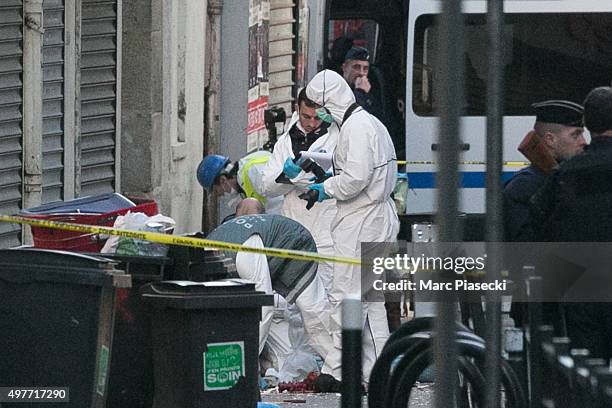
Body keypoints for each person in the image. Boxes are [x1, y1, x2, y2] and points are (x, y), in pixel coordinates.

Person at [305, 69, 399, 384]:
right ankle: (377, 373)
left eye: (320, 107)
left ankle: (339, 372)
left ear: (329, 103)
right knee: (371, 302)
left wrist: (325, 188)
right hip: (375, 220)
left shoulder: (356, 129)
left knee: (348, 296)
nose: (319, 114)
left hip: (361, 222)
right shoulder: (370, 123)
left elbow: (355, 180)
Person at [530, 87, 612, 359]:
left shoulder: (564, 175)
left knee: (586, 376)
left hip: (582, 291)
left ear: (588, 123)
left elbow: (539, 225)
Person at [206, 214, 336, 374]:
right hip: (269, 245)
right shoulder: (208, 259)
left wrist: (245, 362)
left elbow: (264, 308)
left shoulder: (242, 258)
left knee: (312, 312)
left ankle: (342, 370)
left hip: (293, 241)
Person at [259, 88, 339, 290]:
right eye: (306, 116)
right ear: (297, 109)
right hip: (293, 231)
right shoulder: (286, 140)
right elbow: (266, 186)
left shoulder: (338, 137)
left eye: (317, 118)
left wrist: (300, 178)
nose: (312, 123)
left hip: (326, 235)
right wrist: (287, 176)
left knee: (328, 298)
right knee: (291, 302)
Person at [503, 100, 586, 242]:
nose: (583, 141)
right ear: (550, 139)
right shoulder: (524, 187)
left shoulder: (568, 178)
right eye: (575, 135)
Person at [197, 151, 283, 214]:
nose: (221, 195)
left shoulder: (253, 171)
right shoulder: (243, 178)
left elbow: (278, 203)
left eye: (217, 191)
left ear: (223, 180)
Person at [340, 46, 384, 124]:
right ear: (344, 68)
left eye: (365, 68)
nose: (361, 73)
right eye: (356, 67)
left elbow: (376, 118)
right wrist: (360, 92)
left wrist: (366, 95)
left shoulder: (371, 91)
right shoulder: (337, 89)